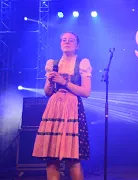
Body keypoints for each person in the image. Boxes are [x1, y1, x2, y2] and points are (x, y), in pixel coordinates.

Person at [32, 32, 92, 180]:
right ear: (60, 44)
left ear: (77, 45)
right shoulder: (53, 64)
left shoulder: (82, 63)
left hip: (72, 109)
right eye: (64, 40)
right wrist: (52, 82)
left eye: (71, 40)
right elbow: (47, 92)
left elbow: (86, 92)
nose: (67, 42)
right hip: (54, 109)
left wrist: (64, 82)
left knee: (73, 158)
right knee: (52, 159)